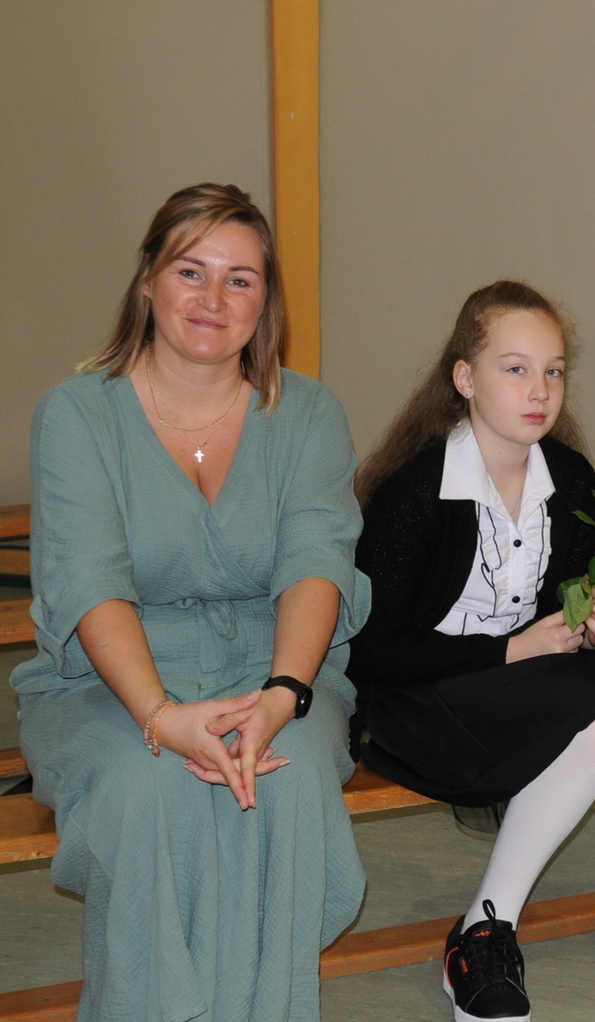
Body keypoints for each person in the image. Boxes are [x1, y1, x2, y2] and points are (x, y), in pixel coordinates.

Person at [13, 183, 369, 1020]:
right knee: (152, 789)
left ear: (265, 301)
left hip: (275, 667)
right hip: (109, 681)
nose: (214, 298)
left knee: (287, 783)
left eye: (240, 279)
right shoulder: (77, 414)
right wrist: (160, 715)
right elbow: (90, 581)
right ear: (148, 280)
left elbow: (316, 563)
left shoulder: (309, 412)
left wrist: (284, 695)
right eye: (191, 271)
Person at [349, 281, 595, 1021]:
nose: (540, 390)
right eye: (515, 369)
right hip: (423, 697)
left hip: (527, 676)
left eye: (553, 371)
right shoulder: (414, 492)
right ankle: (482, 929)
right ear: (465, 378)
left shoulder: (569, 476)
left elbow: (563, 612)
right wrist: (510, 652)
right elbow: (370, 653)